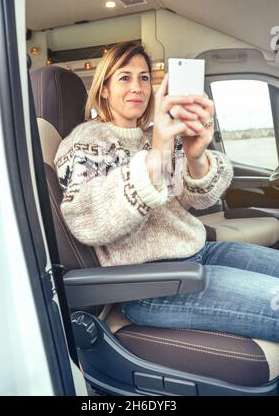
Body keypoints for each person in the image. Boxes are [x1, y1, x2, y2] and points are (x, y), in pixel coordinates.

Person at [55, 41, 279, 342]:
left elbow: (193, 198)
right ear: (104, 88)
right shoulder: (85, 141)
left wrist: (196, 156)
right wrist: (156, 156)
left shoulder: (153, 134)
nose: (137, 86)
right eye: (125, 77)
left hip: (200, 252)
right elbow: (88, 219)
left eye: (144, 77)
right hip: (153, 284)